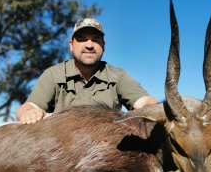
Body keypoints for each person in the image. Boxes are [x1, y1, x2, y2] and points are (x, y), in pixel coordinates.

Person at [16, 18, 157, 124]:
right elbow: (29, 106)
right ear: (71, 45)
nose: (89, 45)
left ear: (103, 45)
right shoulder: (53, 74)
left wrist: (154, 107)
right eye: (82, 39)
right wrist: (29, 113)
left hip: (105, 151)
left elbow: (144, 102)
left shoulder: (118, 76)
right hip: (60, 150)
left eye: (96, 40)